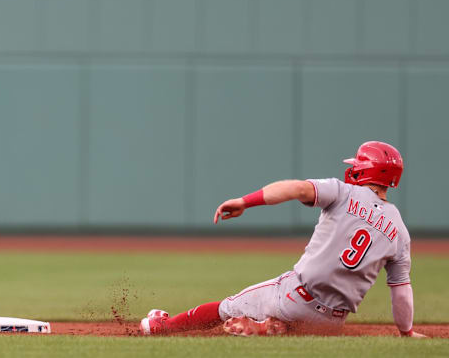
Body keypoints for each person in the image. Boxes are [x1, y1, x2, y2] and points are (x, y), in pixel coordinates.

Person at [140, 141, 427, 338]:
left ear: (365, 169)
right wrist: (406, 332)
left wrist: (245, 202)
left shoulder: (342, 192)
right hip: (332, 323)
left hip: (295, 296)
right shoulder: (399, 230)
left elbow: (296, 189)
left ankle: (161, 327)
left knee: (225, 307)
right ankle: (269, 327)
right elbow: (401, 291)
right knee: (293, 327)